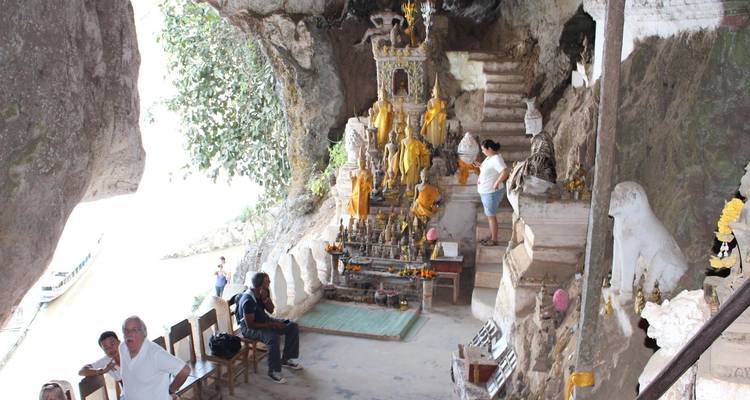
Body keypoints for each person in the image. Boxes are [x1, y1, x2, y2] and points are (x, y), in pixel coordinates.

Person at [237, 272, 302, 384]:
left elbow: (271, 310)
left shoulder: (264, 292)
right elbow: (250, 325)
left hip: (264, 320)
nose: (270, 282)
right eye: (267, 281)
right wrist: (272, 325)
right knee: (273, 338)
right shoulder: (248, 300)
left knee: (292, 325)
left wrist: (265, 298)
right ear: (260, 284)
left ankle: (286, 359)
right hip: (249, 329)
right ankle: (273, 371)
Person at [119, 316, 190, 400]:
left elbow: (184, 370)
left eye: (134, 330)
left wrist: (170, 391)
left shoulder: (156, 354)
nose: (129, 334)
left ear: (144, 333)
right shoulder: (123, 347)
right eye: (126, 330)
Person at [474, 139, 509, 246]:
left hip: (491, 192)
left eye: (484, 150)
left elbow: (505, 172)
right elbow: (489, 169)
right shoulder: (490, 157)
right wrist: (480, 166)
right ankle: (492, 235)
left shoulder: (496, 159)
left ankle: (494, 240)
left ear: (489, 149)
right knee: (489, 216)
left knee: (491, 216)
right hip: (486, 192)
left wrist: (496, 183)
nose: (483, 152)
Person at [79, 331, 123, 398]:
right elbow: (82, 371)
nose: (110, 349)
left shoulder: (131, 351)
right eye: (106, 347)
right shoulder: (106, 360)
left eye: (112, 343)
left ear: (119, 342)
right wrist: (102, 371)